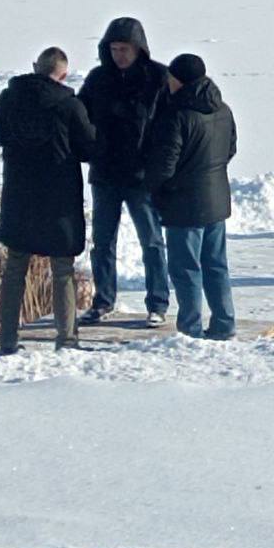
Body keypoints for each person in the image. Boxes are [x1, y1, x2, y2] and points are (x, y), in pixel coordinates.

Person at [0, 48, 97, 355]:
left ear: (35, 67)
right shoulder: (69, 105)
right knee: (62, 268)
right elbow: (88, 147)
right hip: (59, 197)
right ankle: (67, 339)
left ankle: (7, 339)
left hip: (19, 194)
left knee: (15, 267)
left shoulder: (9, 98)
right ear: (63, 74)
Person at [77, 17, 170, 326]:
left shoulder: (157, 78)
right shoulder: (98, 78)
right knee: (103, 242)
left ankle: (158, 303)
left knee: (151, 241)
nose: (119, 55)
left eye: (124, 49)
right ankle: (103, 300)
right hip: (105, 174)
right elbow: (79, 116)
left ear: (138, 48)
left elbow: (169, 125)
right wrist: (89, 148)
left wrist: (158, 165)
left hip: (141, 177)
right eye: (114, 49)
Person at [144, 54, 238, 339]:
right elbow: (230, 149)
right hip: (216, 200)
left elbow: (165, 165)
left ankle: (190, 330)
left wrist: (155, 188)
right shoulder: (223, 109)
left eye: (171, 78)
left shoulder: (177, 115)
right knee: (216, 265)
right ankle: (224, 324)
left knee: (186, 269)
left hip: (184, 204)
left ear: (180, 81)